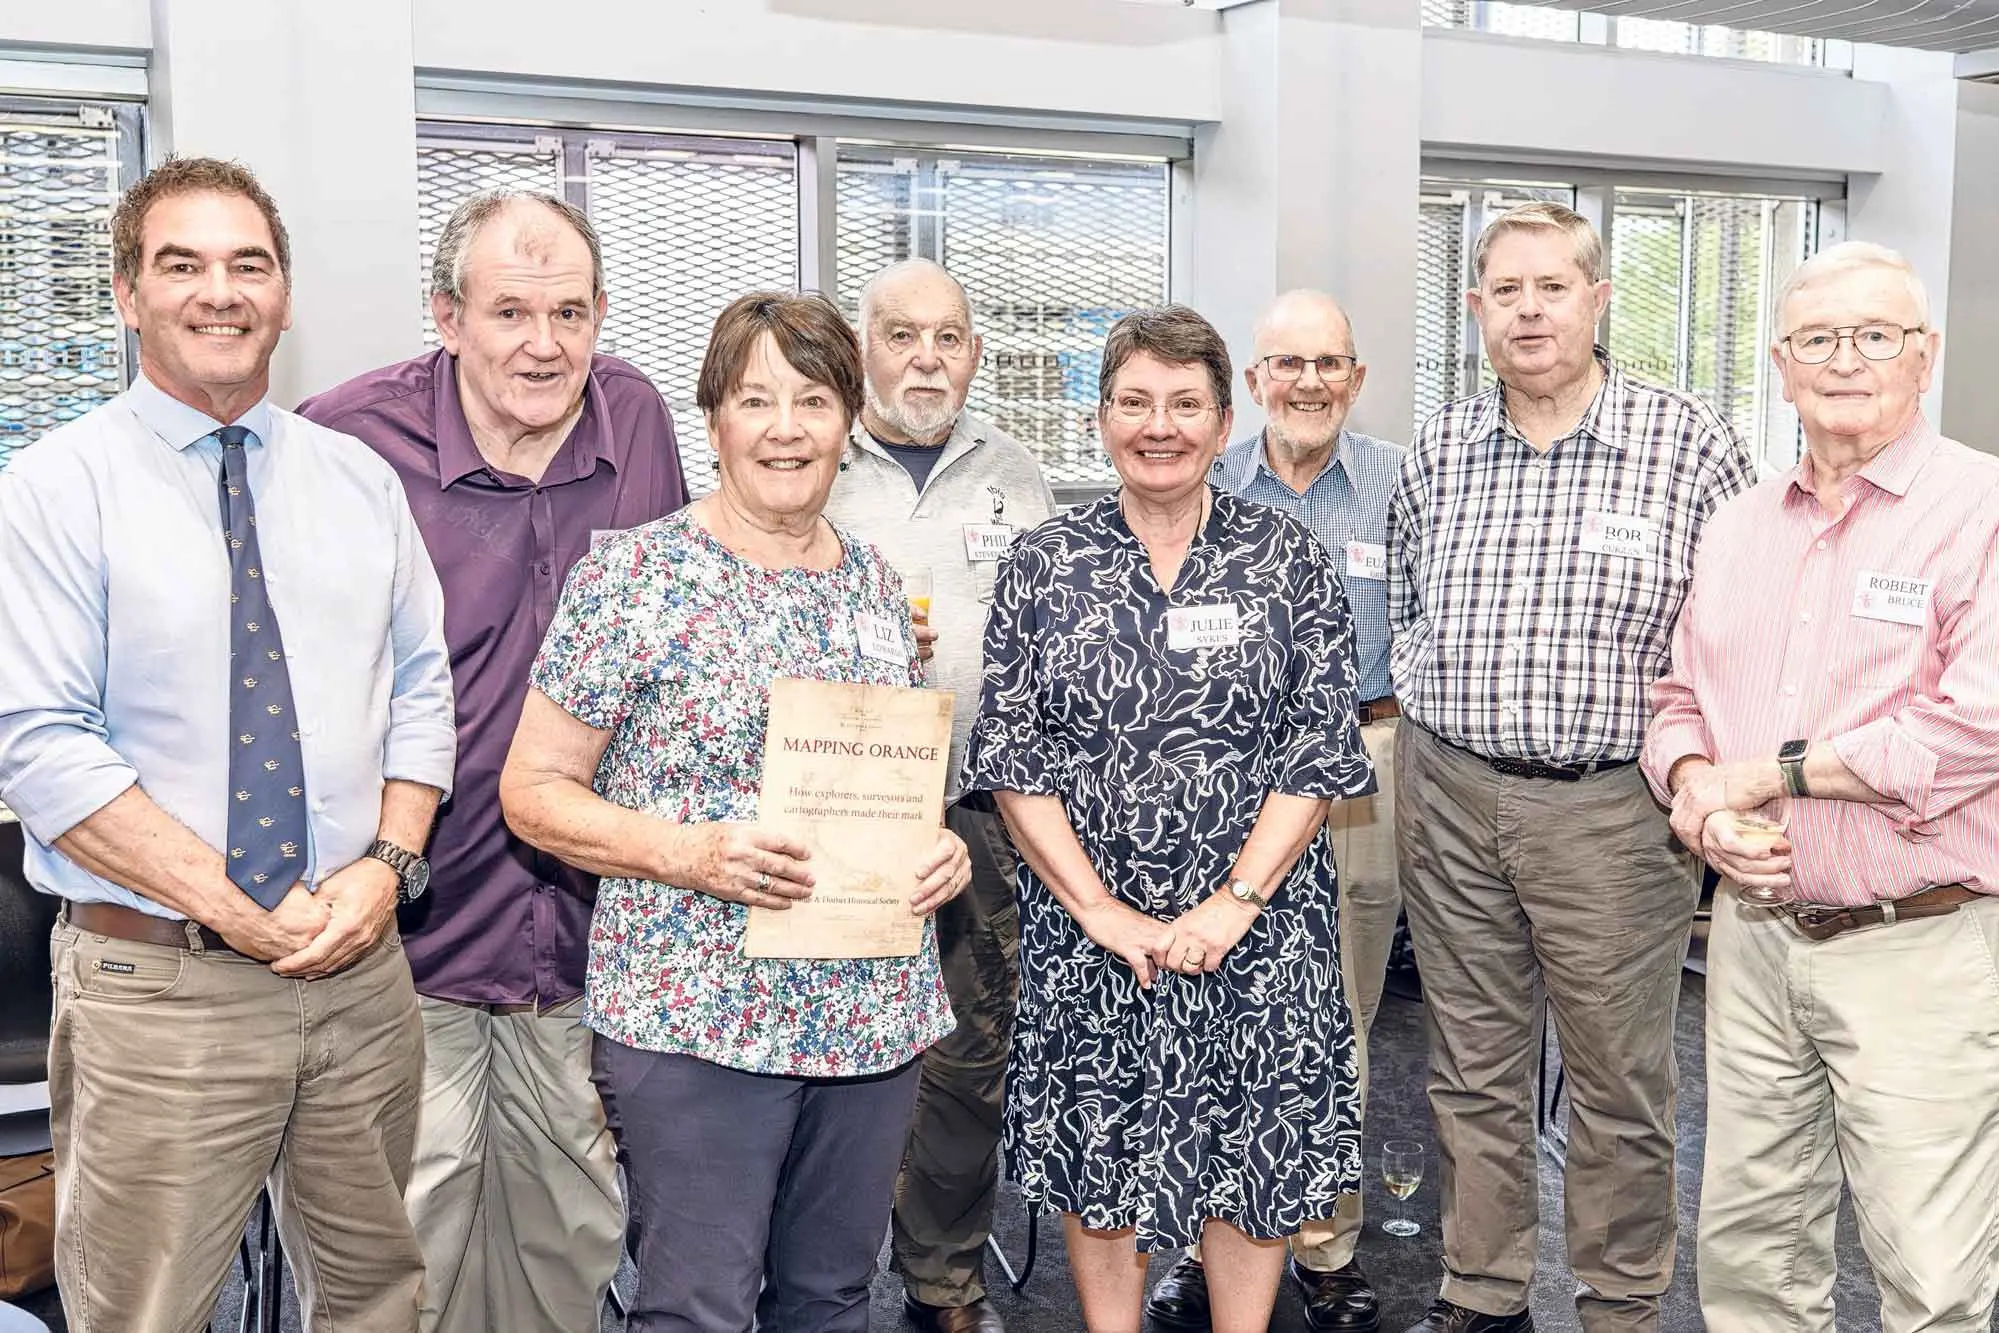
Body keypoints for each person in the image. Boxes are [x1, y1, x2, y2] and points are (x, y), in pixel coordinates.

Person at [0, 157, 455, 1331]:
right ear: (127, 293)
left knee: (377, 1295)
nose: (220, 291)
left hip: (359, 973)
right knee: (143, 1311)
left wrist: (386, 867)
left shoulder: (358, 483)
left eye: (248, 264)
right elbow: (42, 746)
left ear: (284, 295)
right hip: (161, 987)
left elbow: (421, 690)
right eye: (182, 264)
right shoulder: (53, 491)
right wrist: (239, 907)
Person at [498, 290, 972, 1333]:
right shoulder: (633, 577)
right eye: (755, 400)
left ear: (849, 422)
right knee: (697, 1307)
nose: (785, 428)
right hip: (699, 1016)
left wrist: (938, 848)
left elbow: (891, 779)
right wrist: (688, 853)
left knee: (832, 1299)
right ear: (713, 420)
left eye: (813, 400)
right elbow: (531, 793)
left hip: (869, 1016)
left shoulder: (876, 586)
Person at [296, 189, 687, 1333]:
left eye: (569, 312)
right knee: (404, 1245)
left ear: (601, 314)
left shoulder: (636, 420)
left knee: (569, 1236)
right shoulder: (346, 440)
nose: (542, 343)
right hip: (408, 927)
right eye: (509, 311)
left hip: (584, 933)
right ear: (447, 316)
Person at [964, 305, 1376, 1333]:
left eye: (1186, 404)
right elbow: (1014, 756)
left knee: (1254, 1156)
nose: (1160, 426)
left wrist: (1235, 902)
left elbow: (1317, 746)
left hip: (1261, 926)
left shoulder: (1285, 559)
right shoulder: (1042, 564)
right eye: (1136, 402)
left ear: (1223, 420)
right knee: (1101, 1154)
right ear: (1100, 418)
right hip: (1091, 932)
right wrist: (1098, 910)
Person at [1386, 201, 1755, 1333]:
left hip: (1613, 809)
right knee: (1469, 1064)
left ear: (1597, 300)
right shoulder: (1440, 447)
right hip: (1450, 793)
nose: (1530, 311)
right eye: (1507, 290)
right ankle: (1482, 1289)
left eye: (1553, 287)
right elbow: (1408, 605)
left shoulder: (1687, 443)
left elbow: (1738, 630)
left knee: (1618, 1081)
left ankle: (1620, 1302)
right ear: (1475, 308)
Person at [1644, 242, 1999, 1331]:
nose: (1846, 360)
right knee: (1752, 1257)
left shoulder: (1981, 508)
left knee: (1930, 1275)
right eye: (1818, 338)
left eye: (1875, 335)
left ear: (1924, 356)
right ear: (1781, 364)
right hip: (1754, 942)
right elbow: (1677, 700)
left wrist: (1770, 775)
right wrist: (1701, 798)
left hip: (1916, 945)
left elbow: (1974, 725)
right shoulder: (1738, 525)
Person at [1148, 289, 1403, 1333]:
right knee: (1204, 1015)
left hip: (1362, 765)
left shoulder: (1398, 485)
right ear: (1252, 382)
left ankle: (1324, 1246)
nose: (1307, 381)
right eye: (1285, 363)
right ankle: (1202, 1246)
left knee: (1335, 1021)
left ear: (1355, 377)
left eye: (1327, 363)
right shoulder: (1202, 479)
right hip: (1222, 778)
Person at [821, 258, 1056, 1333]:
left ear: (974, 351)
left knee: (968, 1055)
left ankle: (943, 1279)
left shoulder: (1015, 473)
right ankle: (816, 1276)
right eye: (902, 335)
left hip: (977, 809)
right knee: (826, 1046)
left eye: (948, 337)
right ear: (860, 346)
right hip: (836, 807)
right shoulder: (813, 454)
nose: (927, 359)